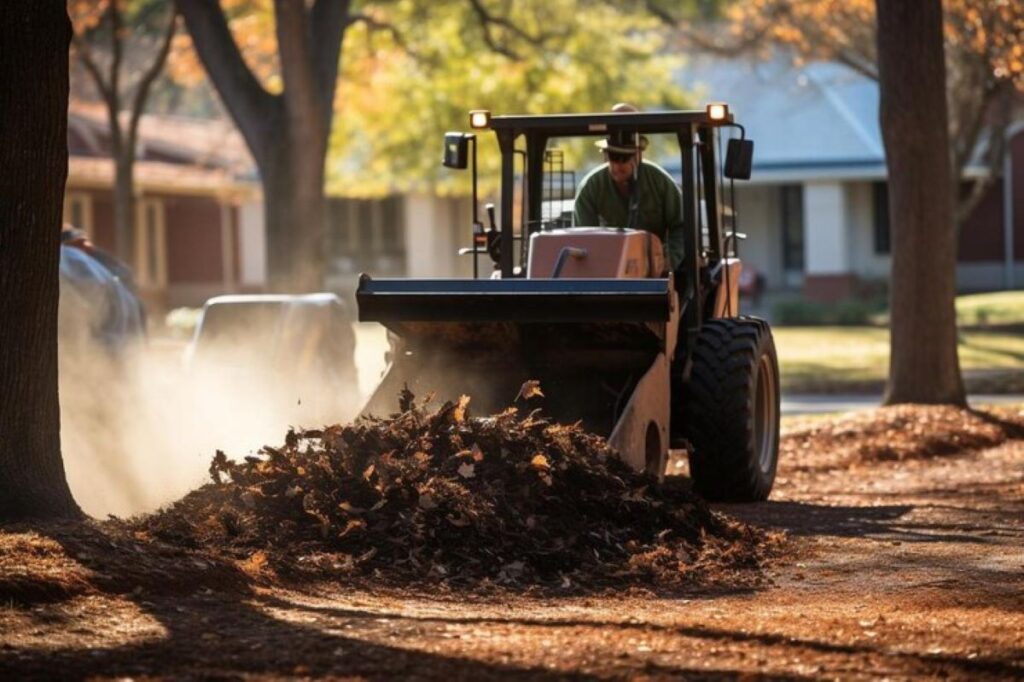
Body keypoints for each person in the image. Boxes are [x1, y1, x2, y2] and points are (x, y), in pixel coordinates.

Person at [573, 103, 685, 271]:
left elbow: (682, 227)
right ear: (605, 155)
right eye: (613, 156)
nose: (618, 164)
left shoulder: (660, 182)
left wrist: (667, 261)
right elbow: (585, 238)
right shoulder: (591, 187)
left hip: (655, 270)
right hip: (609, 270)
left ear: (638, 155)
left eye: (624, 157)